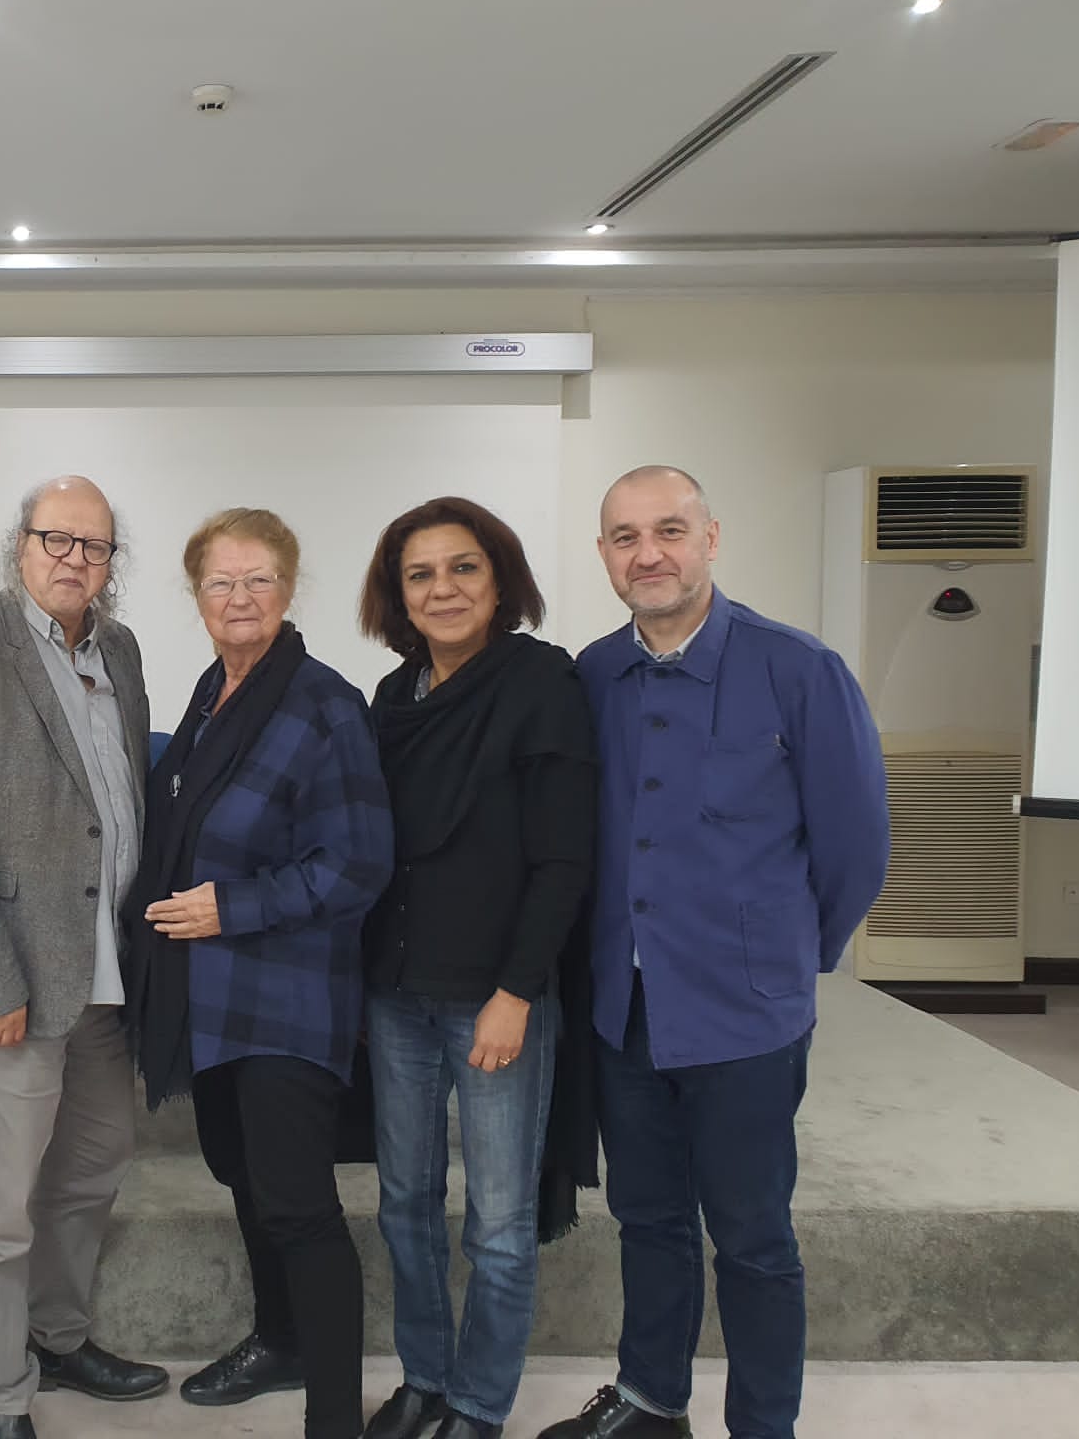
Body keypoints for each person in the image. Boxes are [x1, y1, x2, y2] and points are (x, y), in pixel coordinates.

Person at [537, 467, 889, 1439]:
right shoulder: (592, 676)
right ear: (604, 554)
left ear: (711, 539)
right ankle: (653, 1402)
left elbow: (856, 850)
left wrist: (783, 958)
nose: (647, 553)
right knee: (649, 1221)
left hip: (745, 1018)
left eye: (669, 530)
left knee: (753, 1238)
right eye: (624, 537)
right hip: (625, 1011)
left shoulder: (799, 669)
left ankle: (763, 1426)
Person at [0, 476, 167, 1439]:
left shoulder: (118, 650)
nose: (74, 559)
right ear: (20, 544)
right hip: (8, 985)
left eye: (94, 546)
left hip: (103, 974)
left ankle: (58, 1336)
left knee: (94, 1165)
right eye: (57, 539)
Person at [126, 508, 393, 1439]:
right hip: (210, 999)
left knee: (299, 1206)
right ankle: (280, 1341)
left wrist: (231, 907)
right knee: (243, 1178)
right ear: (196, 593)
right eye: (221, 582)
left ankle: (334, 1417)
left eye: (259, 580)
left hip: (287, 999)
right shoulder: (214, 694)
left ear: (290, 587)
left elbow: (357, 865)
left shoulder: (325, 705)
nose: (239, 598)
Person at [355, 498, 600, 1439]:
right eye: (420, 574)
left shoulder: (541, 684)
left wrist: (516, 992)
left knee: (497, 1223)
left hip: (496, 996)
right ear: (398, 595)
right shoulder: (394, 697)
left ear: (500, 581)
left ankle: (479, 1403)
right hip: (397, 993)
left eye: (464, 568)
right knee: (404, 1206)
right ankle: (424, 1378)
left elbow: (563, 860)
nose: (443, 589)